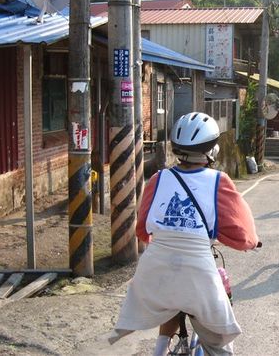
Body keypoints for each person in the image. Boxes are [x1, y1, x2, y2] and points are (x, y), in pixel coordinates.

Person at [109, 112, 259, 356]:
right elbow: (243, 235)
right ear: (213, 150)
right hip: (198, 268)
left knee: (170, 300)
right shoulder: (219, 181)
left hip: (154, 266)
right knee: (219, 341)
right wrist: (250, 243)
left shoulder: (158, 178)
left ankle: (158, 350)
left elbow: (142, 227)